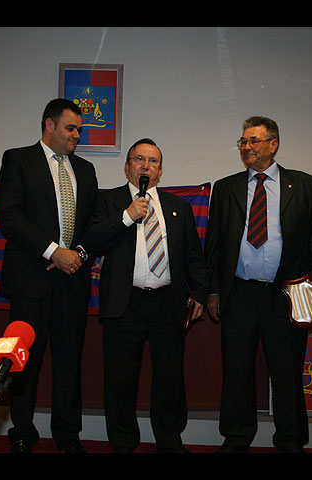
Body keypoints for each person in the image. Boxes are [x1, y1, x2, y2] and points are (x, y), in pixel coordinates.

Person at [205, 116, 312, 453]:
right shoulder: (226, 187)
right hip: (239, 293)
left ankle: (291, 439)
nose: (246, 147)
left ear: (273, 145)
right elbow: (214, 245)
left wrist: (309, 285)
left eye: (254, 141)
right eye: (243, 141)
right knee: (236, 369)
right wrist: (214, 291)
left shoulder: (305, 185)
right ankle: (236, 437)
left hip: (286, 293)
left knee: (287, 371)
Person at [82, 138, 208, 453]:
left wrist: (201, 292)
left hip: (168, 303)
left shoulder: (179, 207)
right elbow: (91, 240)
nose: (146, 166)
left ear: (160, 171)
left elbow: (193, 255)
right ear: (127, 167)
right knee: (120, 378)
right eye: (139, 159)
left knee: (169, 376)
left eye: (153, 161)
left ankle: (169, 439)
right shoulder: (108, 201)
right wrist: (127, 216)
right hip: (124, 304)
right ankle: (123, 441)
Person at [0, 98, 99, 454]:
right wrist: (53, 251)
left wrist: (76, 255)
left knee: (69, 362)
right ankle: (22, 434)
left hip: (73, 280)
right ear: (49, 125)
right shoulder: (17, 160)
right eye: (70, 128)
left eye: (79, 130)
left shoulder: (85, 169)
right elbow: (9, 216)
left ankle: (68, 436)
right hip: (30, 280)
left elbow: (93, 223)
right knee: (24, 361)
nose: (76, 136)